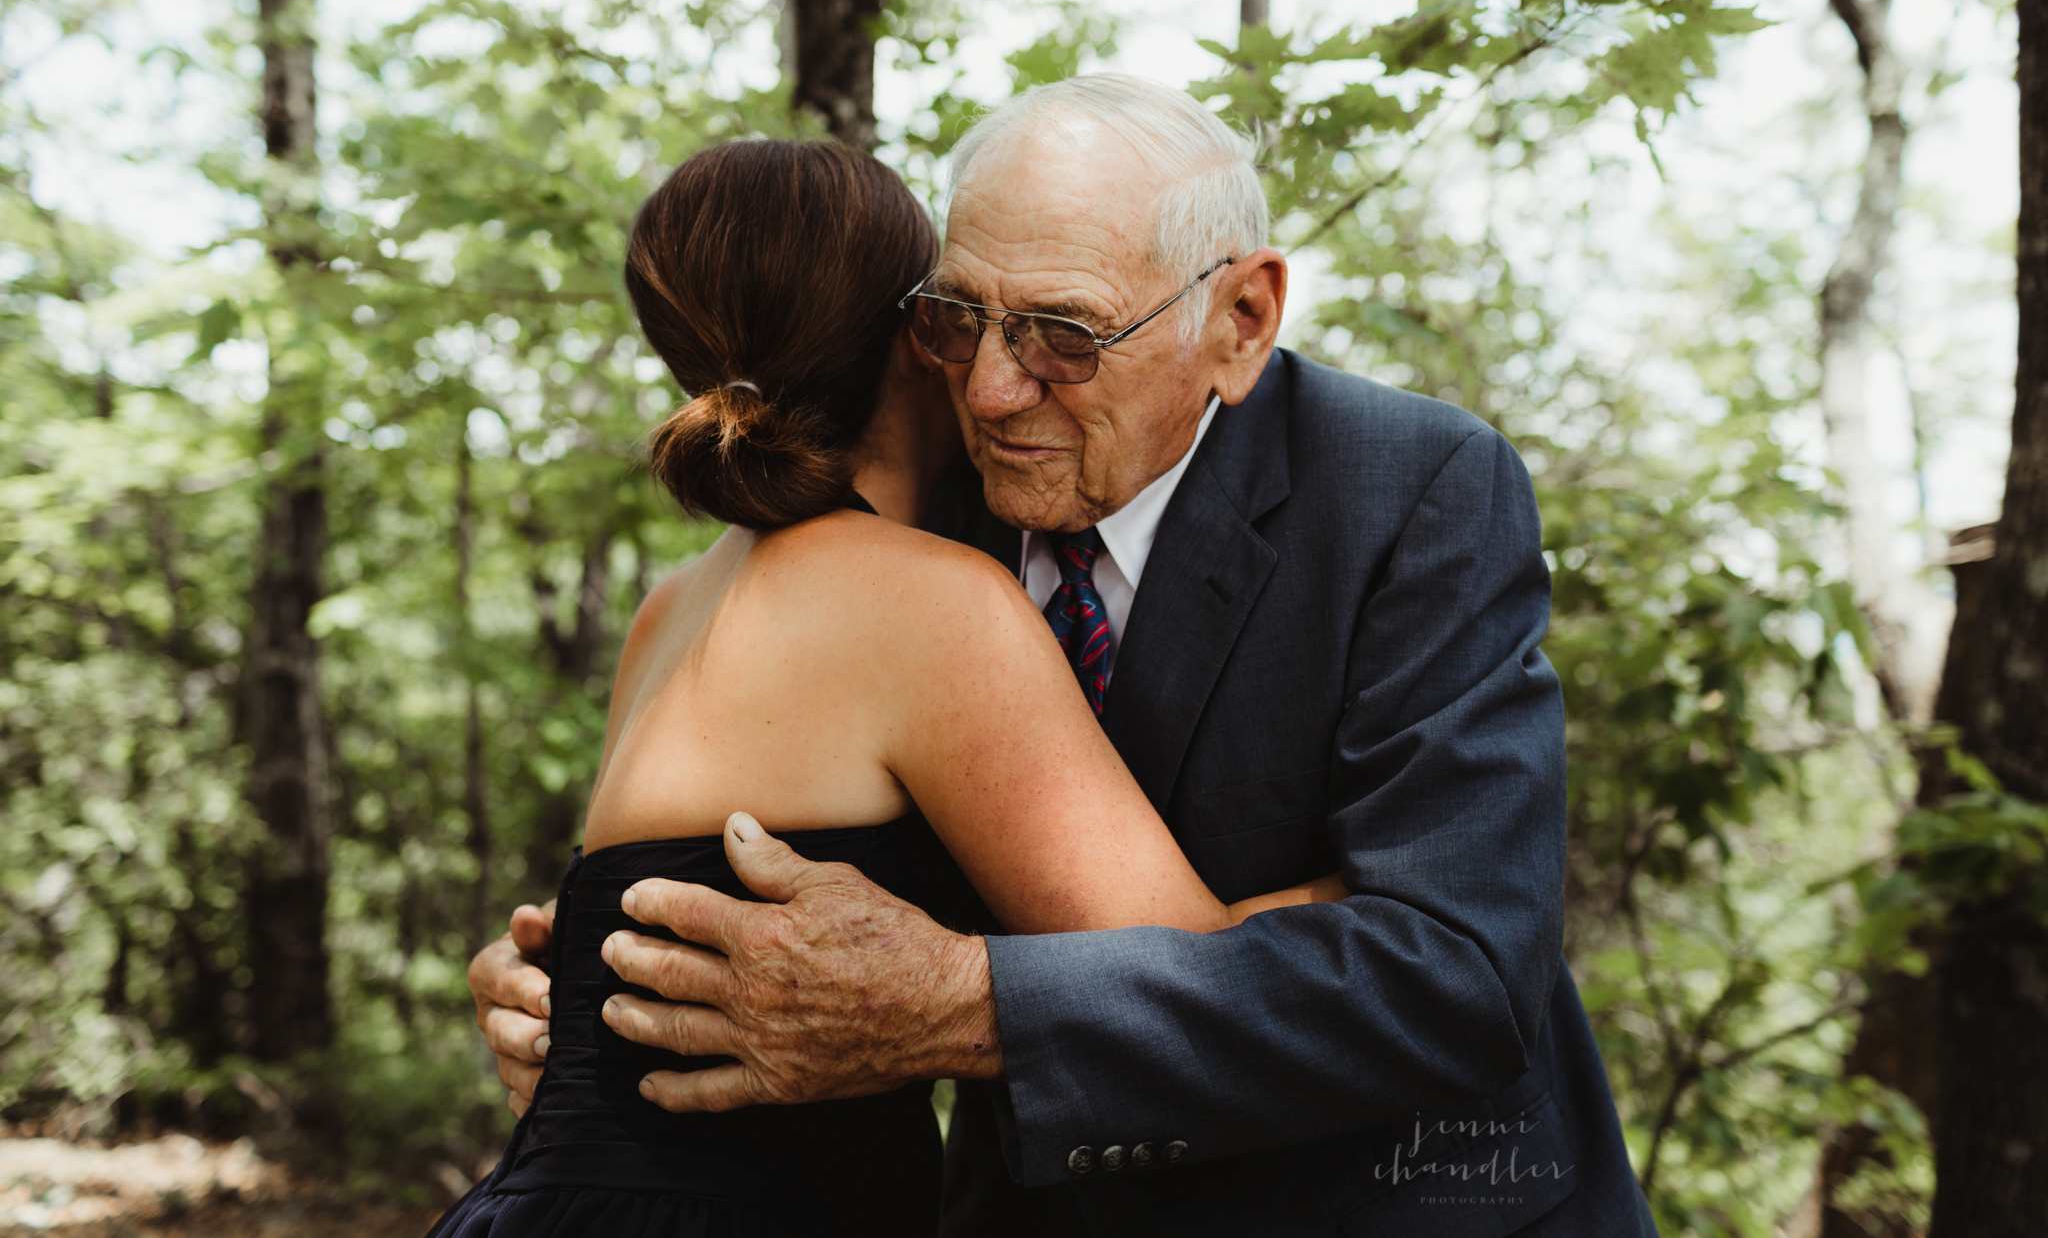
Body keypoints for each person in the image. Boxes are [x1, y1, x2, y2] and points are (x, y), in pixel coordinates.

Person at [472, 75, 1659, 1236]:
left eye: (1063, 336)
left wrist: (966, 1005)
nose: (991, 389)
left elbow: (1457, 974)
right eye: (954, 318)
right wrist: (594, 993)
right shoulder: (906, 530)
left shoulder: (1409, 492)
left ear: (1237, 320)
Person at [430, 136, 1345, 1238]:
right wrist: (1389, 909)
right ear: (917, 341)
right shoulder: (930, 603)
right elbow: (1177, 983)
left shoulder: (675, 605)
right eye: (957, 313)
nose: (995, 368)